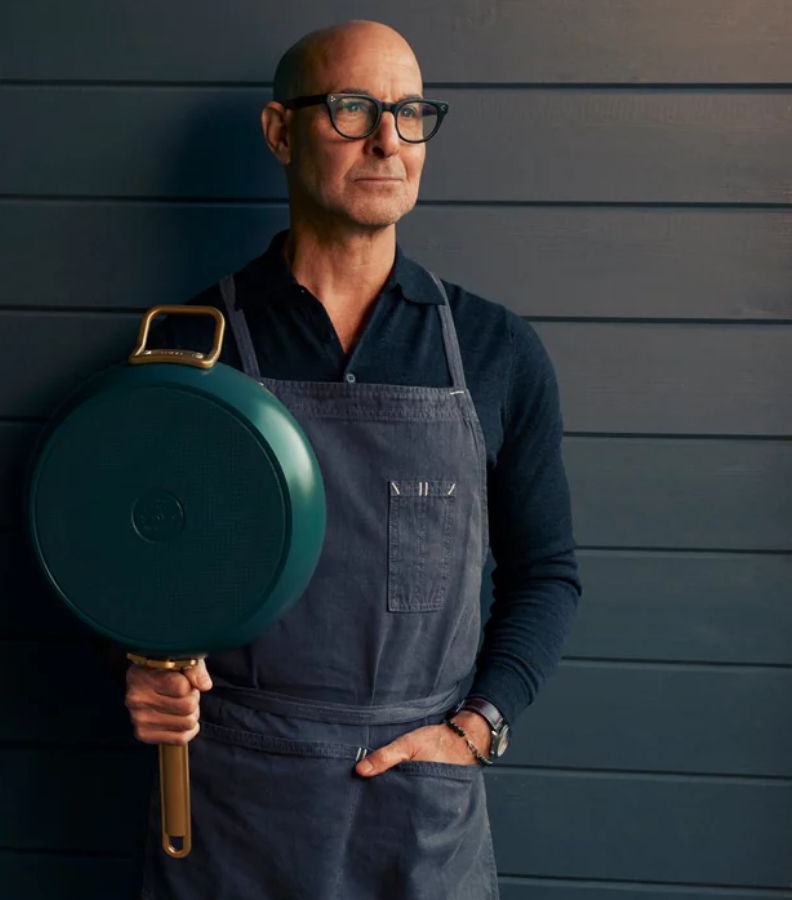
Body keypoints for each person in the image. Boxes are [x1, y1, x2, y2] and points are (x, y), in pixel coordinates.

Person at [123, 19, 582, 899]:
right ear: (280, 131)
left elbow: (547, 574)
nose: (388, 141)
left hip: (421, 817)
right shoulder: (190, 351)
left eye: (409, 114)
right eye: (352, 108)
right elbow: (131, 566)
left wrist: (478, 727)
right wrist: (140, 667)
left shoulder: (495, 352)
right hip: (234, 811)